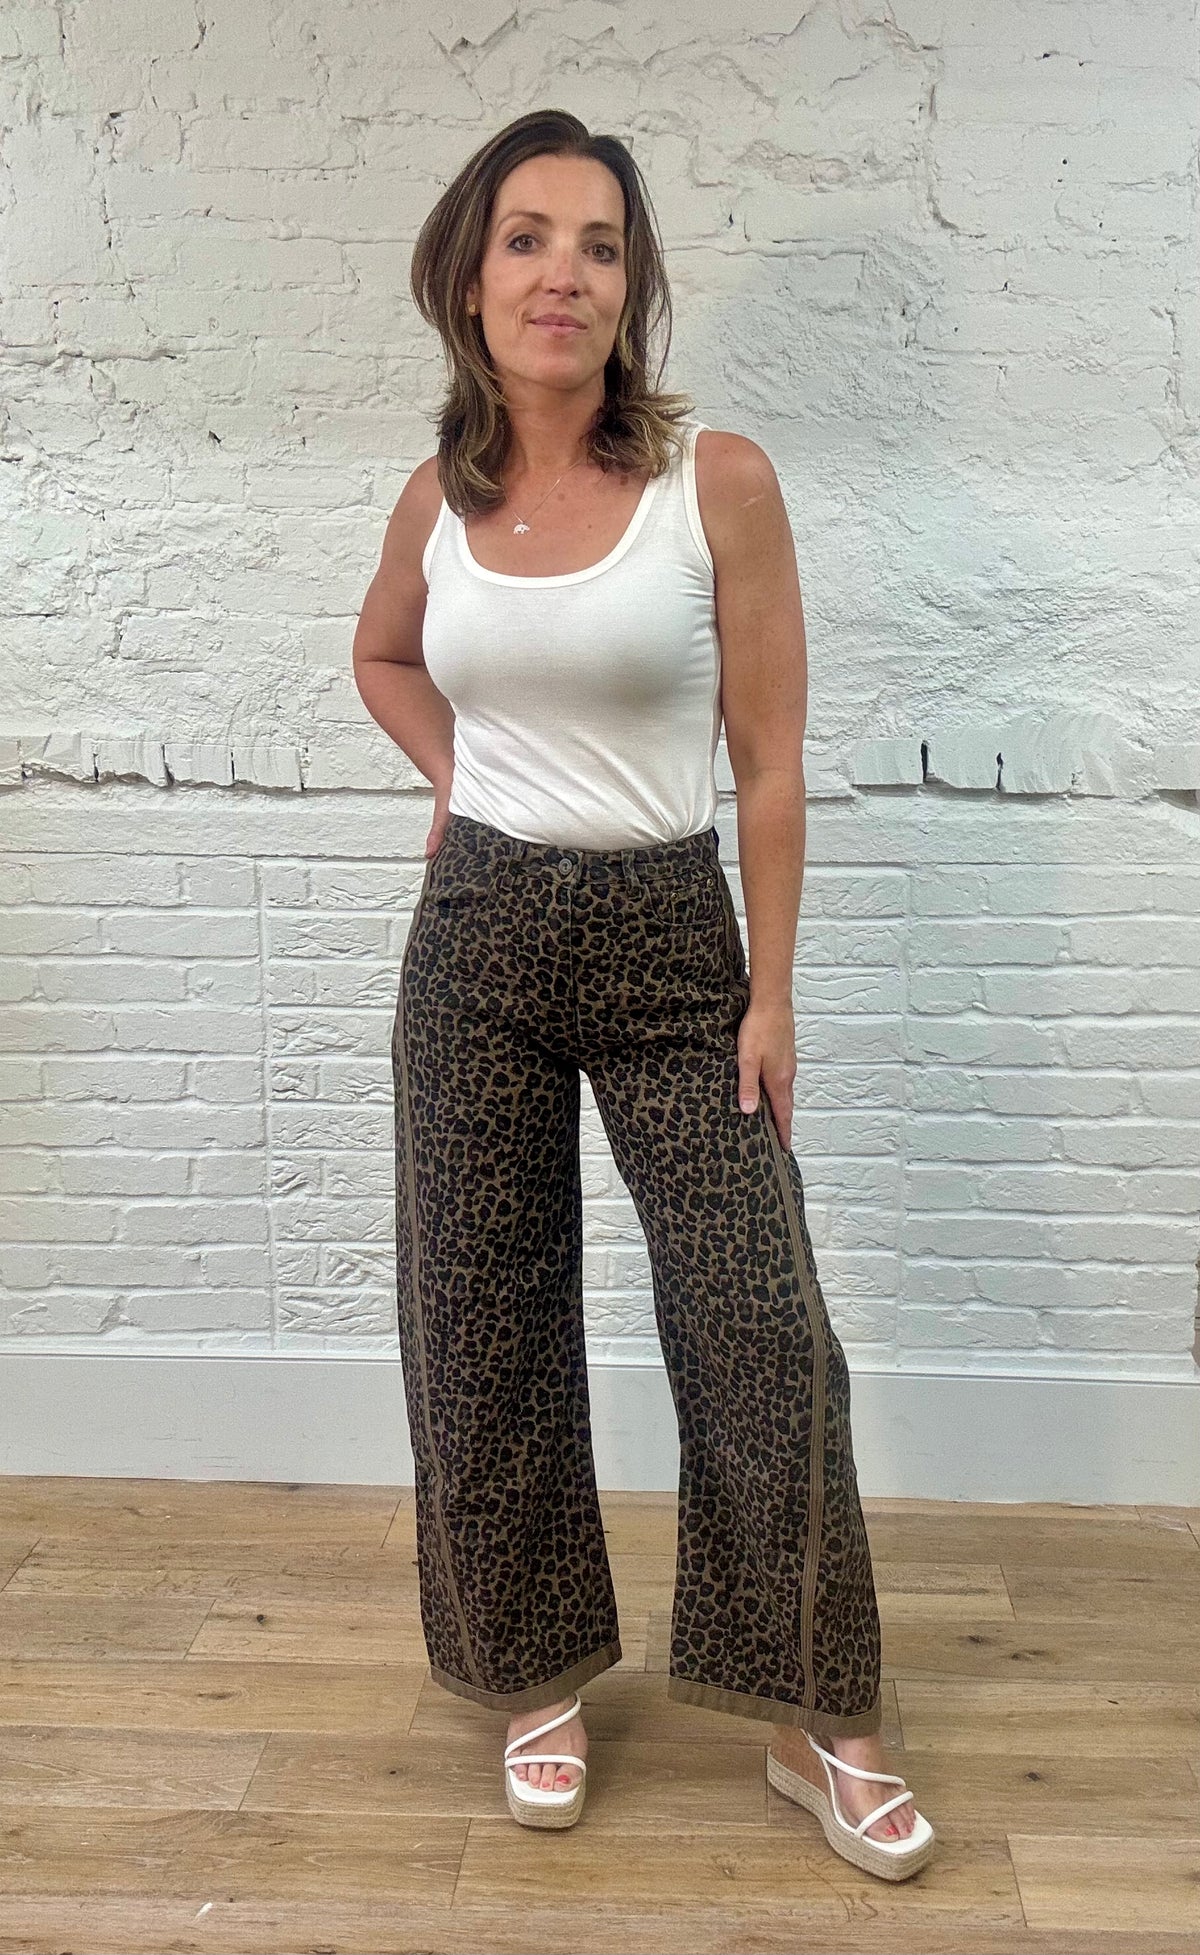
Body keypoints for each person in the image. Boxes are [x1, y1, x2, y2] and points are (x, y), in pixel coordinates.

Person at [353, 108, 935, 1880]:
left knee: (766, 1332)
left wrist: (772, 992)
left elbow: (770, 762)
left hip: (678, 943)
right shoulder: (443, 497)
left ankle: (823, 1721)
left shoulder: (715, 483)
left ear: (631, 285)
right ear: (471, 280)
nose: (565, 275)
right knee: (481, 1321)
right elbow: (382, 653)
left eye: (599, 245)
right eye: (528, 239)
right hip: (478, 944)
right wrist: (453, 776)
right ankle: (530, 1677)